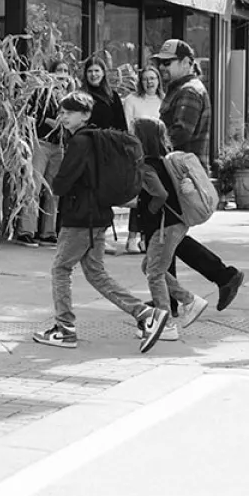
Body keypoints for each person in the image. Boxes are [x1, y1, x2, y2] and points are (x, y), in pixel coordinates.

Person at [30, 91, 172, 354]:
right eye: (61, 112)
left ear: (85, 115)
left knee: (61, 269)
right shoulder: (97, 139)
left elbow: (63, 182)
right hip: (98, 216)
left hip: (80, 218)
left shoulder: (80, 142)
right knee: (96, 273)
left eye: (69, 113)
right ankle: (144, 313)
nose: (63, 117)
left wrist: (57, 182)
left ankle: (64, 329)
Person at [151, 39, 246, 311]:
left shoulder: (189, 92)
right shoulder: (181, 89)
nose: (163, 68)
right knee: (164, 236)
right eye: (161, 63)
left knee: (163, 236)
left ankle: (221, 276)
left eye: (168, 63)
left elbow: (180, 133)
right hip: (174, 173)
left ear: (187, 62)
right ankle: (170, 298)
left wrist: (151, 143)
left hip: (176, 175)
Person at [131, 117, 211, 341]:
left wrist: (151, 209)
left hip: (164, 226)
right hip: (174, 224)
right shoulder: (160, 161)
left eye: (132, 133)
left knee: (154, 273)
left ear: (141, 138)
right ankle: (188, 300)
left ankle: (165, 324)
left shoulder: (147, 166)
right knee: (150, 266)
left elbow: (160, 194)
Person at [15, 59, 76, 247]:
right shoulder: (42, 92)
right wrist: (47, 121)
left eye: (66, 70)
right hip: (41, 142)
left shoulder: (70, 95)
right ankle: (26, 230)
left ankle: (48, 232)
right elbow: (29, 114)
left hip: (59, 146)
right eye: (59, 70)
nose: (62, 73)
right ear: (51, 72)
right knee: (34, 186)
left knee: (53, 190)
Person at [120, 67, 165, 254]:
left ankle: (148, 237)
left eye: (153, 78)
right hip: (137, 153)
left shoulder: (164, 101)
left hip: (159, 153)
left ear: (158, 80)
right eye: (146, 79)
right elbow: (128, 127)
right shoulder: (132, 100)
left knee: (156, 194)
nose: (149, 82)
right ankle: (132, 237)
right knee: (140, 195)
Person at [80, 58, 128, 132]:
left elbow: (121, 126)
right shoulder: (79, 96)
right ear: (85, 74)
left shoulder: (112, 96)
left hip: (108, 140)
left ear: (103, 73)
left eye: (96, 71)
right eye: (90, 71)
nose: (93, 74)